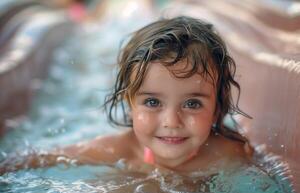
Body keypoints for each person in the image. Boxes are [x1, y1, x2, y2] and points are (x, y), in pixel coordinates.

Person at [0, 16, 253, 174]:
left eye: (192, 103)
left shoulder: (230, 156)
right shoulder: (117, 150)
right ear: (130, 104)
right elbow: (41, 158)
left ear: (218, 108)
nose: (171, 121)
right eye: (152, 102)